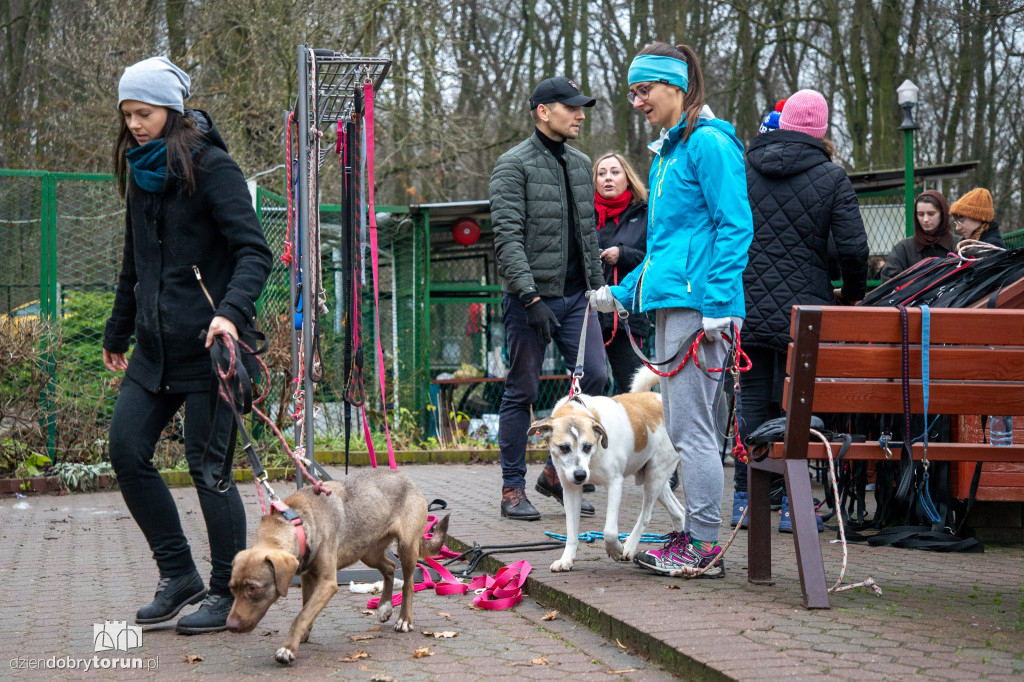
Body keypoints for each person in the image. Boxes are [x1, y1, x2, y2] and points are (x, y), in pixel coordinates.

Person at [103, 57, 272, 634]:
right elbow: (134, 262)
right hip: (154, 351)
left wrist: (229, 316)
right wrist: (118, 329)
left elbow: (255, 252)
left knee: (210, 470)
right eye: (127, 115)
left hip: (210, 350)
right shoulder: (142, 173)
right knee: (126, 449)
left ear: (171, 112)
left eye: (144, 113)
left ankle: (229, 589)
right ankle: (178, 576)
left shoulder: (214, 168)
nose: (135, 125)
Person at [590, 42, 753, 577]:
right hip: (673, 306)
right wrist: (621, 291)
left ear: (675, 87)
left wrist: (719, 304)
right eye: (632, 92)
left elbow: (736, 225)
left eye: (644, 90)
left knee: (692, 432)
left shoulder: (709, 144)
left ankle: (704, 546)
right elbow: (665, 250)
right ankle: (695, 536)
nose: (636, 102)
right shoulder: (670, 153)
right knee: (687, 428)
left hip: (699, 312)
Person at [734, 89, 868, 530]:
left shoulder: (744, 168)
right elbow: (852, 249)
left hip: (747, 301)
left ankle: (745, 500)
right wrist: (849, 293)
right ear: (821, 131)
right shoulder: (832, 177)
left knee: (751, 398)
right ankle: (794, 503)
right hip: (805, 312)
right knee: (796, 402)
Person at [489, 76, 607, 521]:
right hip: (530, 300)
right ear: (544, 111)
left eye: (581, 108)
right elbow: (507, 237)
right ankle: (512, 489)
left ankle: (554, 476)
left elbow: (588, 233)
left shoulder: (580, 163)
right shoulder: (512, 164)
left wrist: (598, 290)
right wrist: (530, 297)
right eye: (571, 108)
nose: (580, 115)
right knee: (523, 391)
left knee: (595, 377)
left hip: (578, 298)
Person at [592, 152, 650, 392]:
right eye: (601, 173)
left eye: (615, 172)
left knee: (632, 389)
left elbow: (654, 258)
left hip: (628, 316)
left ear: (628, 178)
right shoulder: (584, 216)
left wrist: (623, 254)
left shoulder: (645, 213)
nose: (608, 178)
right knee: (591, 382)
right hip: (589, 315)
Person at [879, 190, 956, 281]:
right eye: (920, 214)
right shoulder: (903, 248)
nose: (925, 219)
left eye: (931, 214)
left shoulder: (958, 245)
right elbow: (890, 284)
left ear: (942, 214)